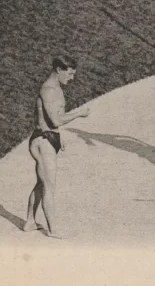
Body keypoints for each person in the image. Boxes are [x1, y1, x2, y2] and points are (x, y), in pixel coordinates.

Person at [24, 56, 91, 239]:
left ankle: (30, 221)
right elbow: (55, 120)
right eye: (69, 74)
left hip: (49, 138)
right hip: (43, 141)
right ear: (59, 69)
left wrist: (59, 136)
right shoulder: (49, 90)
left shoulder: (56, 89)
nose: (72, 78)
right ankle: (53, 230)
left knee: (42, 182)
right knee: (49, 187)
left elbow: (49, 119)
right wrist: (79, 113)